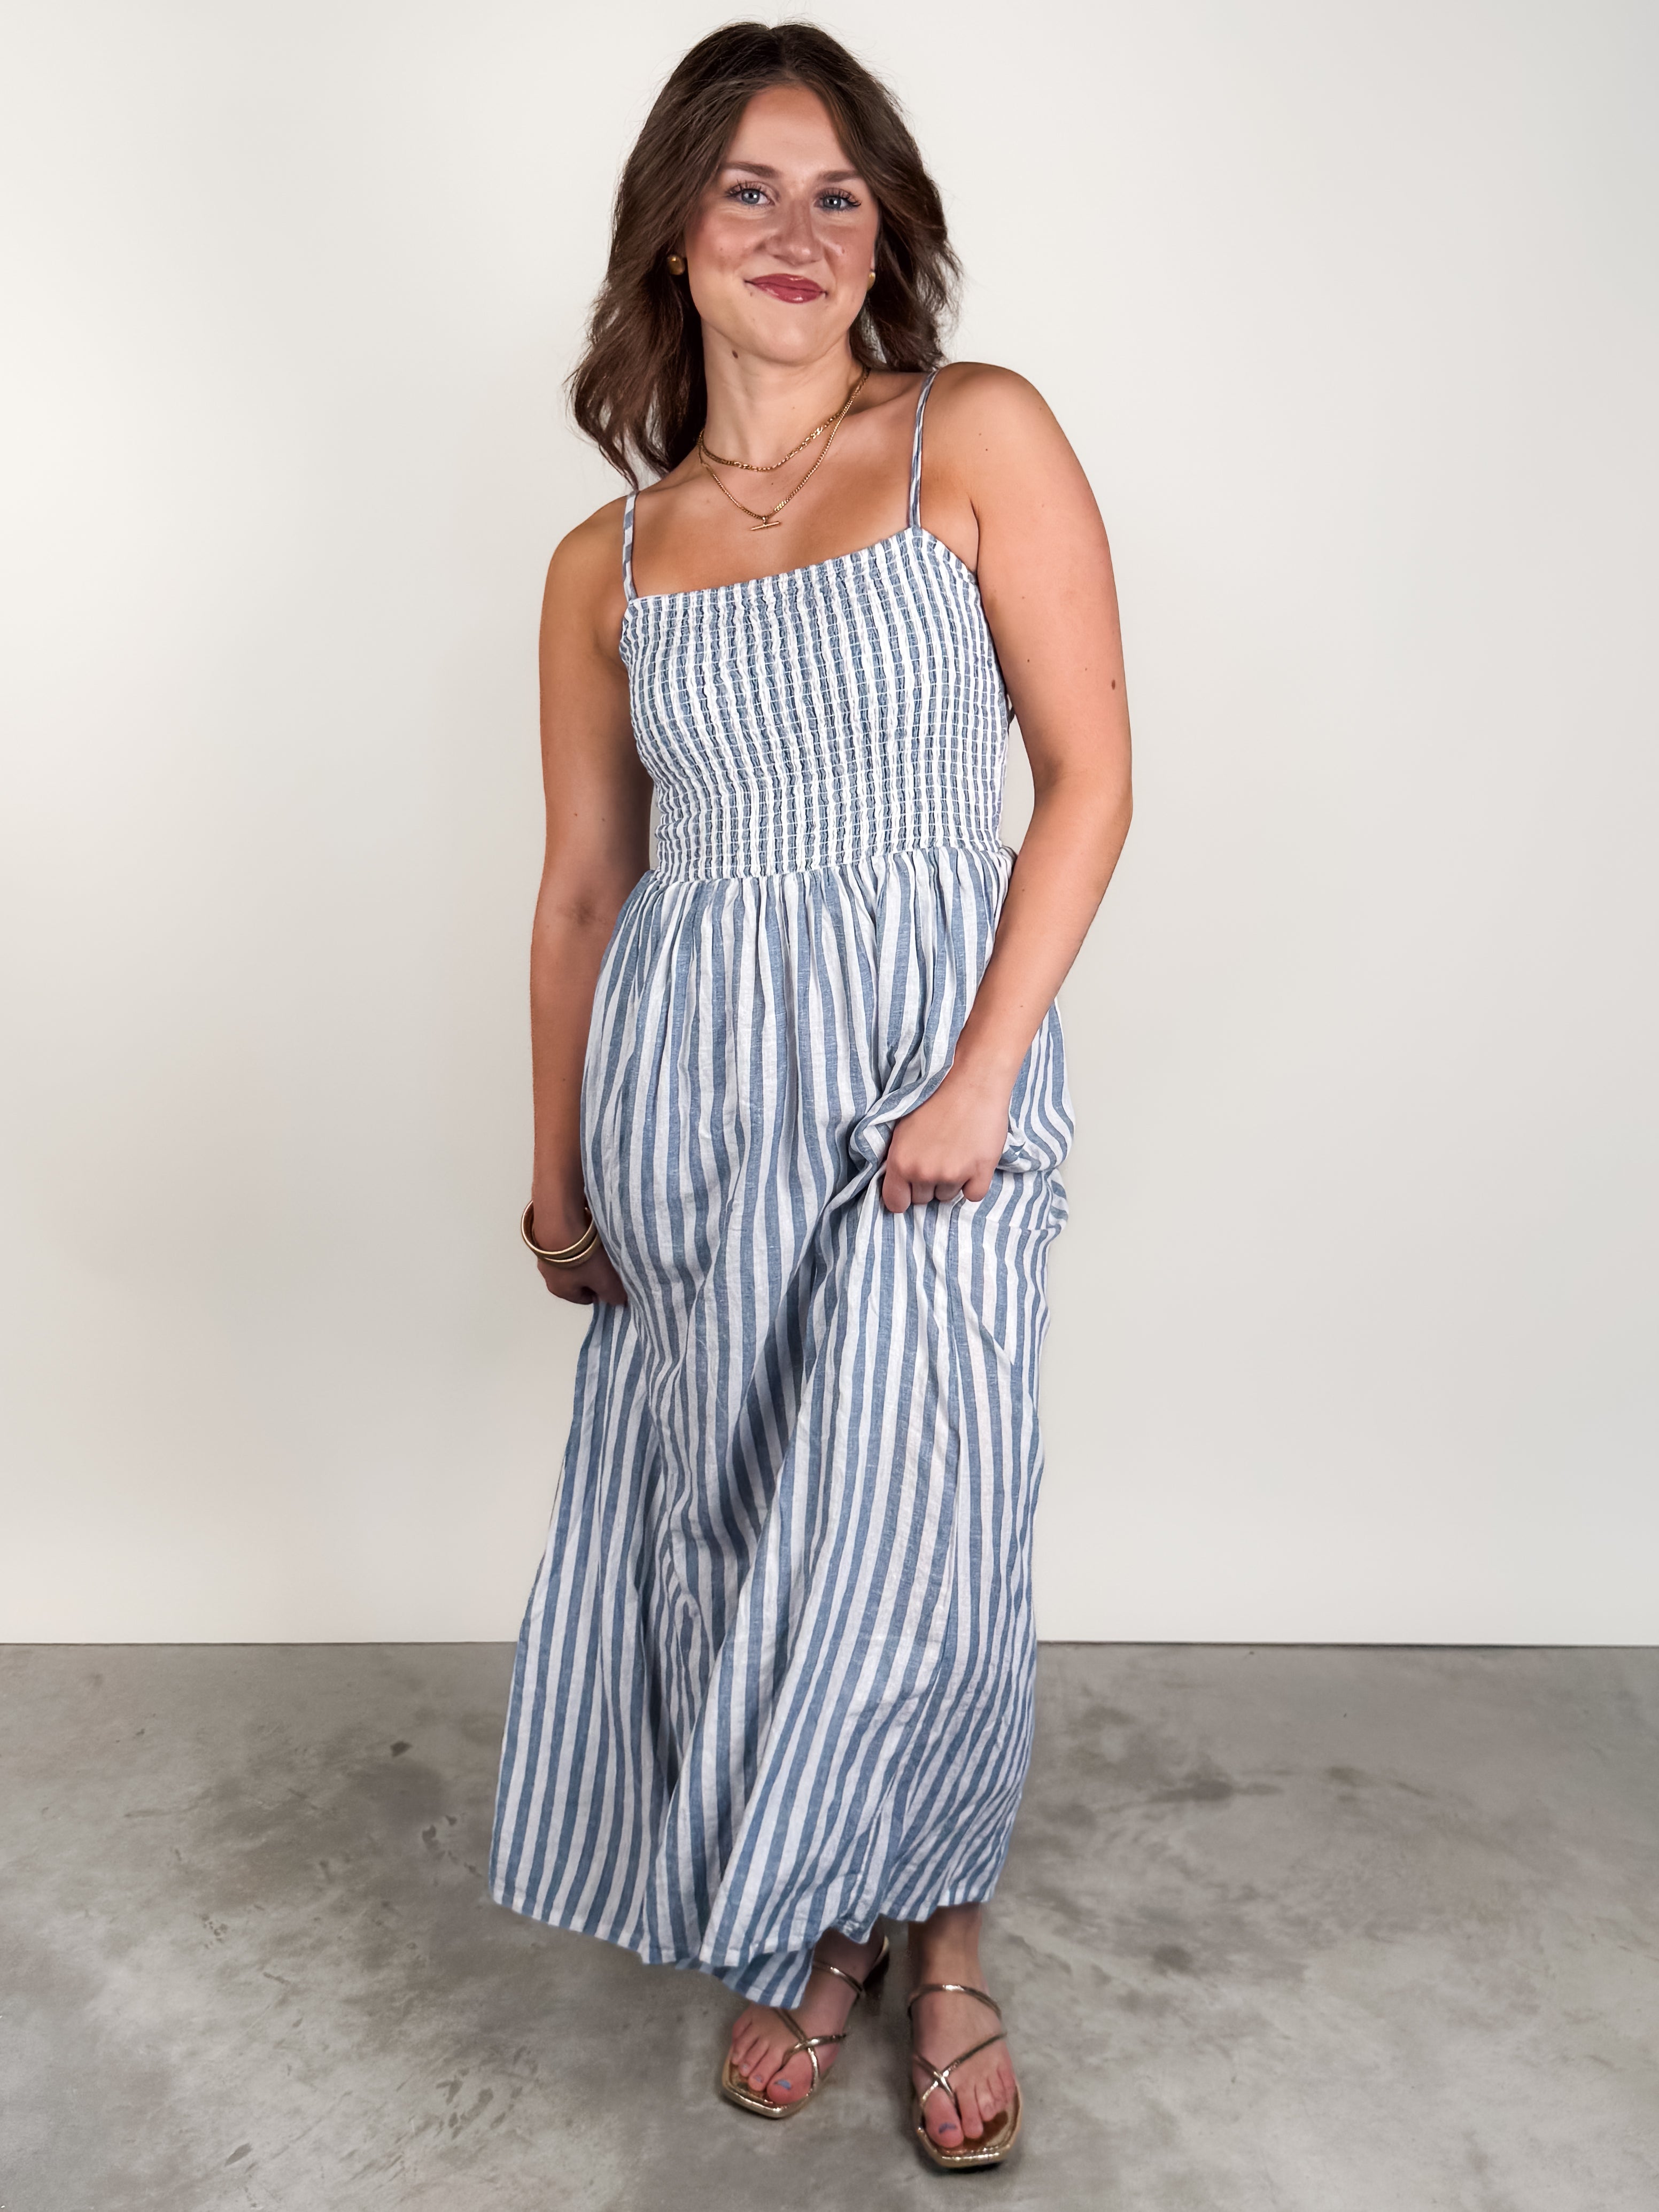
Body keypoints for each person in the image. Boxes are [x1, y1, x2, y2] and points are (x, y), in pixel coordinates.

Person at [489, 20, 1131, 2170]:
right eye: (747, 189)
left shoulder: (974, 433)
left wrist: (982, 1075)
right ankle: (818, 1917)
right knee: (751, 1522)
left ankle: (942, 1943)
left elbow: (1089, 779)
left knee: (930, 1530)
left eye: (836, 192)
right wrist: (560, 1174)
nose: (794, 229)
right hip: (693, 1102)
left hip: (928, 1079)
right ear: (671, 235)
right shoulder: (607, 562)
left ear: (886, 235)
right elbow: (585, 891)